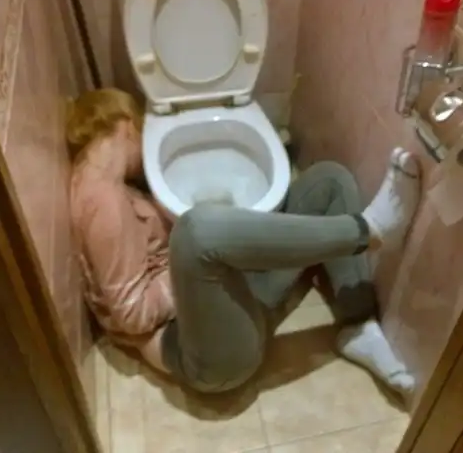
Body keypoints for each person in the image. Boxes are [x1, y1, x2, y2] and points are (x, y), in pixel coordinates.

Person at [68, 88, 420, 400]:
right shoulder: (102, 199)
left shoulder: (103, 184)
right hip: (203, 351)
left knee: (329, 182)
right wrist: (190, 269)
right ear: (125, 124)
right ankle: (371, 230)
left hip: (228, 308)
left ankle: (360, 326)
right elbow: (132, 315)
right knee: (197, 232)